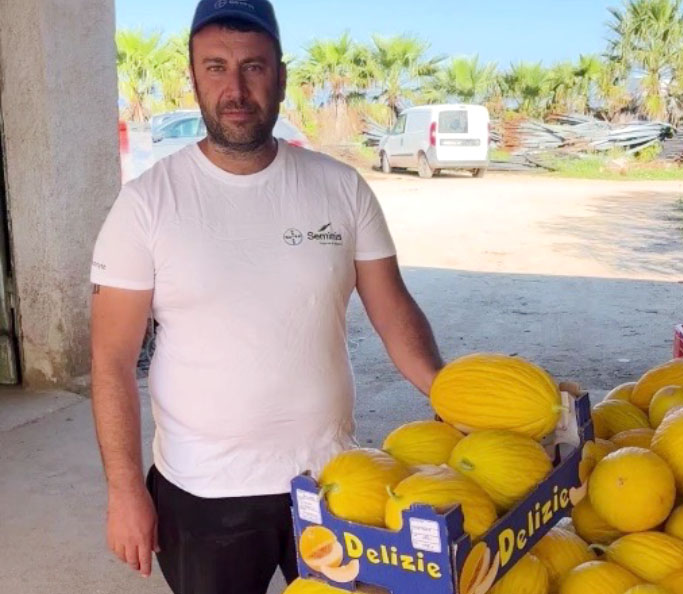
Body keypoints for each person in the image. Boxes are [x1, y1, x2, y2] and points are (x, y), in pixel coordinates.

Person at [89, 1, 443, 592]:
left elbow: (392, 310)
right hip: (203, 494)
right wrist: (125, 491)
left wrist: (447, 394)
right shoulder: (147, 204)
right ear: (194, 76)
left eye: (253, 67)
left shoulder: (340, 187)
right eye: (216, 67)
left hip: (334, 480)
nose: (235, 89)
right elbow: (111, 360)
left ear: (280, 75)